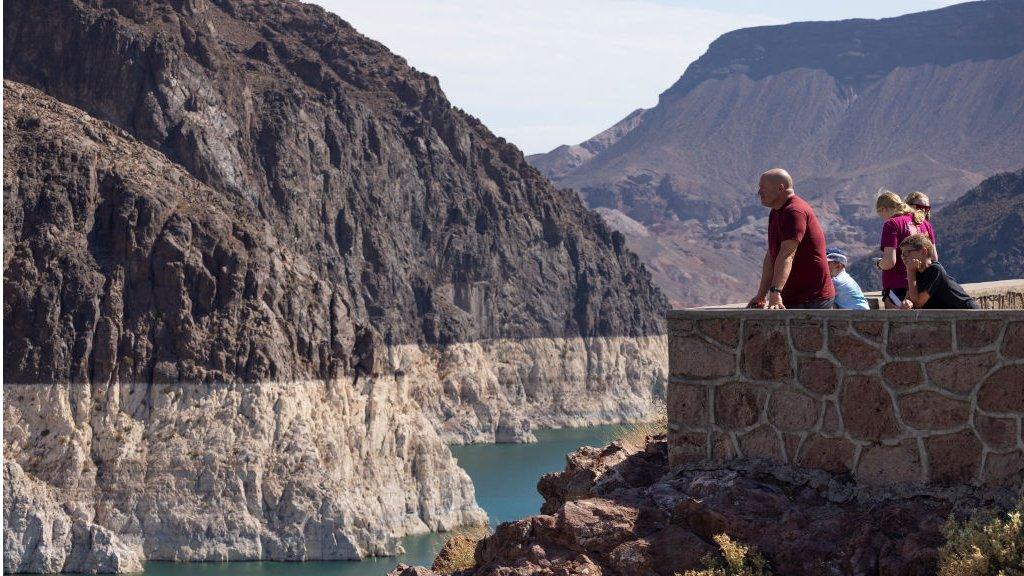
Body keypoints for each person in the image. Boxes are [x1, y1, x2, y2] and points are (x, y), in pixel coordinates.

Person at [747, 168, 835, 309]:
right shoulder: (776, 212)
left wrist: (775, 292)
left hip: (811, 299)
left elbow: (787, 254)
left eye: (763, 188)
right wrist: (761, 295)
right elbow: (772, 255)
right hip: (794, 298)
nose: (759, 192)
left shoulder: (794, 211)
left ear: (780, 188)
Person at [875, 191, 936, 308]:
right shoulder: (924, 223)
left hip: (898, 285)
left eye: (880, 214)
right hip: (924, 285)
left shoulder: (892, 224)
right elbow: (934, 257)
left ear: (883, 209)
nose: (882, 218)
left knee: (898, 324)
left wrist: (879, 264)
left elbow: (889, 262)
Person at [899, 234, 978, 309]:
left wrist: (910, 271)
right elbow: (910, 298)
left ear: (923, 251)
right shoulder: (916, 271)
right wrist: (907, 303)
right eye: (902, 254)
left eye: (906, 253)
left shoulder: (935, 270)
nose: (903, 257)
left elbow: (918, 303)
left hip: (966, 313)